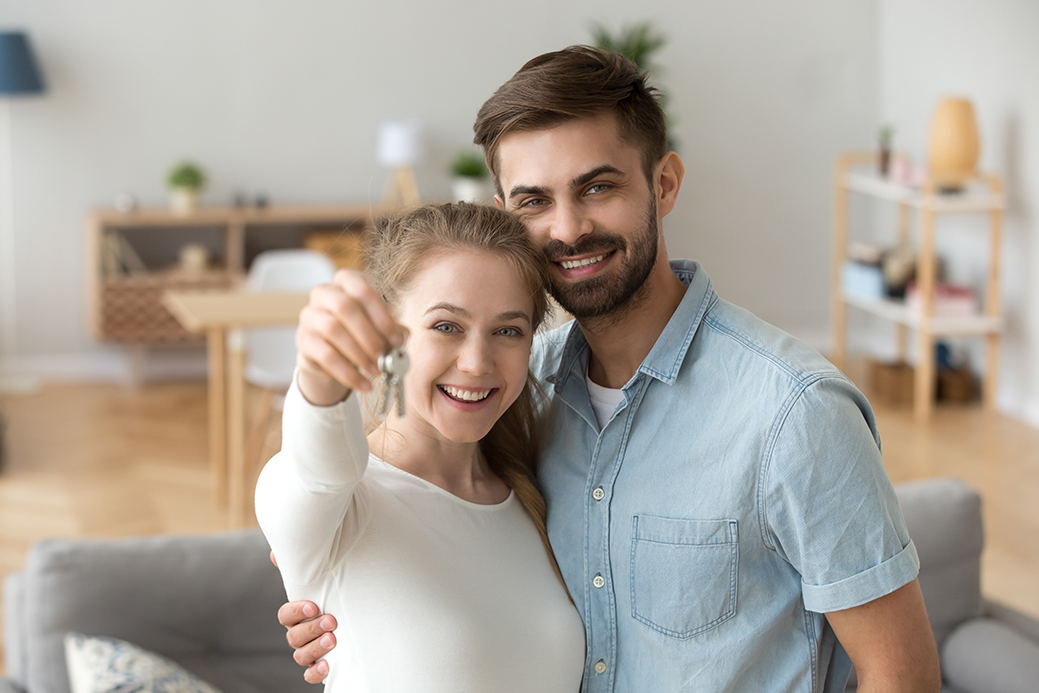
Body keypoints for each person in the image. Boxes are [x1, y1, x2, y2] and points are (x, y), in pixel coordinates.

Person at [279, 46, 941, 692]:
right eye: (532, 200)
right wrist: (347, 599)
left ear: (664, 183)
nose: (567, 228)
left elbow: (900, 673)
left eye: (597, 187)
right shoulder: (518, 391)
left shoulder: (793, 411)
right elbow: (363, 495)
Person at [254, 202, 585, 692]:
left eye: (508, 331)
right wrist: (323, 363)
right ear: (388, 333)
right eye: (446, 326)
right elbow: (319, 463)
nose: (476, 362)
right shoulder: (339, 504)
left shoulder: (540, 492)